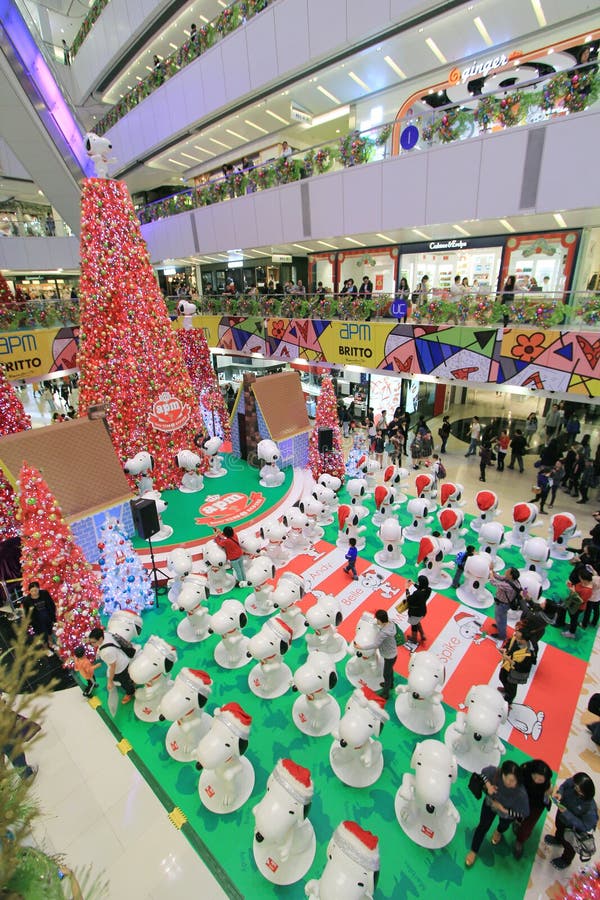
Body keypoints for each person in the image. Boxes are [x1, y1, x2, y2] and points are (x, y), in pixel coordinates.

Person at [465, 760, 530, 867]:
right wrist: (488, 785)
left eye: (513, 780)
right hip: (490, 804)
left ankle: (498, 831)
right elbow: (483, 773)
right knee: (482, 826)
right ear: (502, 774)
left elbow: (524, 813)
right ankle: (474, 850)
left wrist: (504, 810)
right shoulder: (495, 772)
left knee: (503, 826)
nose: (510, 783)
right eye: (508, 779)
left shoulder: (521, 793)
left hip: (507, 813)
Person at [544, 772, 598, 870]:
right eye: (575, 785)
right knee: (559, 828)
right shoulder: (574, 783)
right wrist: (560, 793)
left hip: (573, 829)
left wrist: (567, 814)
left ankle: (566, 860)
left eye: (578, 788)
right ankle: (558, 839)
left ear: (584, 792)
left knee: (569, 846)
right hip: (561, 817)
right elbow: (565, 785)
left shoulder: (590, 809)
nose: (574, 788)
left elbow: (586, 826)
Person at [514, 760, 553, 859]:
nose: (536, 781)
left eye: (540, 780)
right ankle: (517, 822)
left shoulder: (547, 785)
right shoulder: (524, 771)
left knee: (528, 825)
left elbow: (546, 800)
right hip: (522, 800)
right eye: (534, 777)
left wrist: (547, 795)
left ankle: (520, 841)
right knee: (516, 814)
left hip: (536, 805)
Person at [354, 609, 397, 700]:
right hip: (393, 653)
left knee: (386, 674)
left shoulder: (383, 633)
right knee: (389, 670)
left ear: (380, 620)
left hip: (389, 655)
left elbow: (375, 645)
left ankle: (385, 693)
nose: (376, 621)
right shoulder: (391, 623)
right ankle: (391, 683)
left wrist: (361, 647)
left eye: (377, 619)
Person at [88, 626, 136, 705]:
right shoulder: (106, 634)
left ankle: (130, 692)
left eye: (93, 642)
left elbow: (113, 666)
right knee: (126, 676)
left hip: (120, 667)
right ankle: (131, 680)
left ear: (100, 639)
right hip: (122, 657)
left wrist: (110, 681)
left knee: (124, 682)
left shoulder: (106, 652)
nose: (92, 644)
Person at [498, 626, 534, 706]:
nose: (515, 637)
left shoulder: (528, 654)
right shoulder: (515, 639)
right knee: (502, 677)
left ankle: (508, 702)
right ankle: (506, 689)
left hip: (514, 672)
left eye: (517, 637)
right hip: (506, 666)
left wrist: (510, 661)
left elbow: (524, 668)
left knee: (512, 689)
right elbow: (509, 644)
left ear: (523, 640)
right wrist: (505, 649)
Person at [554, 570, 593, 639]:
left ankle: (571, 632)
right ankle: (562, 623)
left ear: (585, 579)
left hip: (577, 607)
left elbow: (581, 601)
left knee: (573, 619)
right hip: (571, 603)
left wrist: (573, 592)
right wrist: (571, 585)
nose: (579, 579)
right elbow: (576, 588)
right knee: (565, 611)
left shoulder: (588, 590)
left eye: (581, 578)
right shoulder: (583, 583)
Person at [21, 581, 56, 655]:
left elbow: (51, 603)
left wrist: (53, 615)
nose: (34, 592)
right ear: (29, 591)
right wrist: (30, 623)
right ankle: (45, 648)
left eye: (36, 590)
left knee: (49, 631)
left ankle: (50, 643)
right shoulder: (27, 601)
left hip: (47, 617)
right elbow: (27, 613)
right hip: (37, 621)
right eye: (32, 591)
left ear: (39, 589)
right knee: (42, 635)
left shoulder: (44, 593)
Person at [489, 567, 522, 643]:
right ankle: (499, 627)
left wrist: (491, 575)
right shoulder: (513, 580)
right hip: (502, 603)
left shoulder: (509, 586)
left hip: (503, 605)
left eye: (508, 571)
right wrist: (493, 571)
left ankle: (501, 635)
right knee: (499, 617)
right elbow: (500, 577)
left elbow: (494, 583)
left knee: (501, 620)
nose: (506, 571)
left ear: (511, 575)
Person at [404, 575, 431, 645]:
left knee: (414, 625)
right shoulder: (428, 590)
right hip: (422, 611)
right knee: (417, 622)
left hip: (415, 612)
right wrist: (413, 583)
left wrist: (407, 588)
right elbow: (421, 588)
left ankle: (414, 639)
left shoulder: (417, 593)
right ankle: (422, 635)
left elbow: (409, 599)